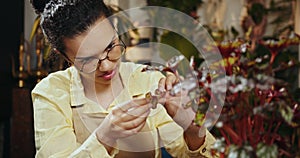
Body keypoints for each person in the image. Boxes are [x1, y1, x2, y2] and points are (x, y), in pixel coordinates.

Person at [30, 0, 216, 157]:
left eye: (111, 47)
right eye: (88, 60)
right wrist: (104, 136)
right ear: (63, 55)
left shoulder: (146, 79)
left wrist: (191, 127)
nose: (107, 66)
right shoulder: (51, 93)